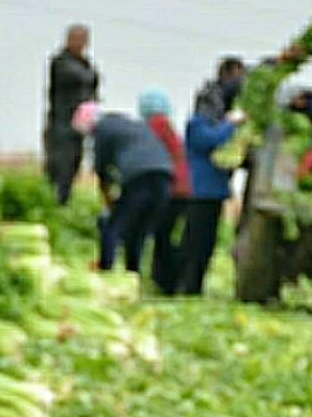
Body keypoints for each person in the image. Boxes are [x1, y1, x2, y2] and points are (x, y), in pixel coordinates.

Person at [72, 101, 173, 273]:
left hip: (139, 176)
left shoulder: (102, 129)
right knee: (138, 229)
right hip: (164, 174)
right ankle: (133, 272)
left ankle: (105, 267)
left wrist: (107, 198)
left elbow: (102, 166)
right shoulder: (127, 123)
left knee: (113, 225)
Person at [176, 59, 246, 296]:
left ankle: (194, 285)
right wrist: (231, 123)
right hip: (199, 191)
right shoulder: (197, 124)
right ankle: (185, 285)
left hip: (214, 192)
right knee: (194, 242)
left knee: (206, 243)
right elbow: (210, 141)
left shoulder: (215, 123)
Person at [138, 89, 191, 294]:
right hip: (183, 187)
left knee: (162, 235)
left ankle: (166, 281)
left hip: (172, 188)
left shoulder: (156, 125)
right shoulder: (168, 126)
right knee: (166, 235)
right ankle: (165, 279)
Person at [45, 24, 99, 205]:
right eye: (76, 39)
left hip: (79, 127)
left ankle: (65, 202)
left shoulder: (85, 63)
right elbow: (83, 77)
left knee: (74, 166)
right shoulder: (61, 62)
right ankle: (55, 203)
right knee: (60, 168)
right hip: (61, 126)